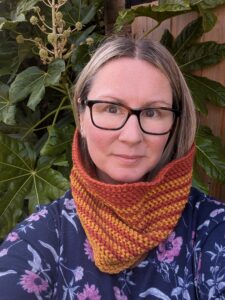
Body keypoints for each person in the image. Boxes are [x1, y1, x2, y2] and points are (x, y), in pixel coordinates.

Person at [0, 36, 225, 300]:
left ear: (175, 124)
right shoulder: (36, 244)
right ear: (81, 116)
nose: (131, 136)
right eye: (111, 108)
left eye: (153, 113)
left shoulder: (212, 231)